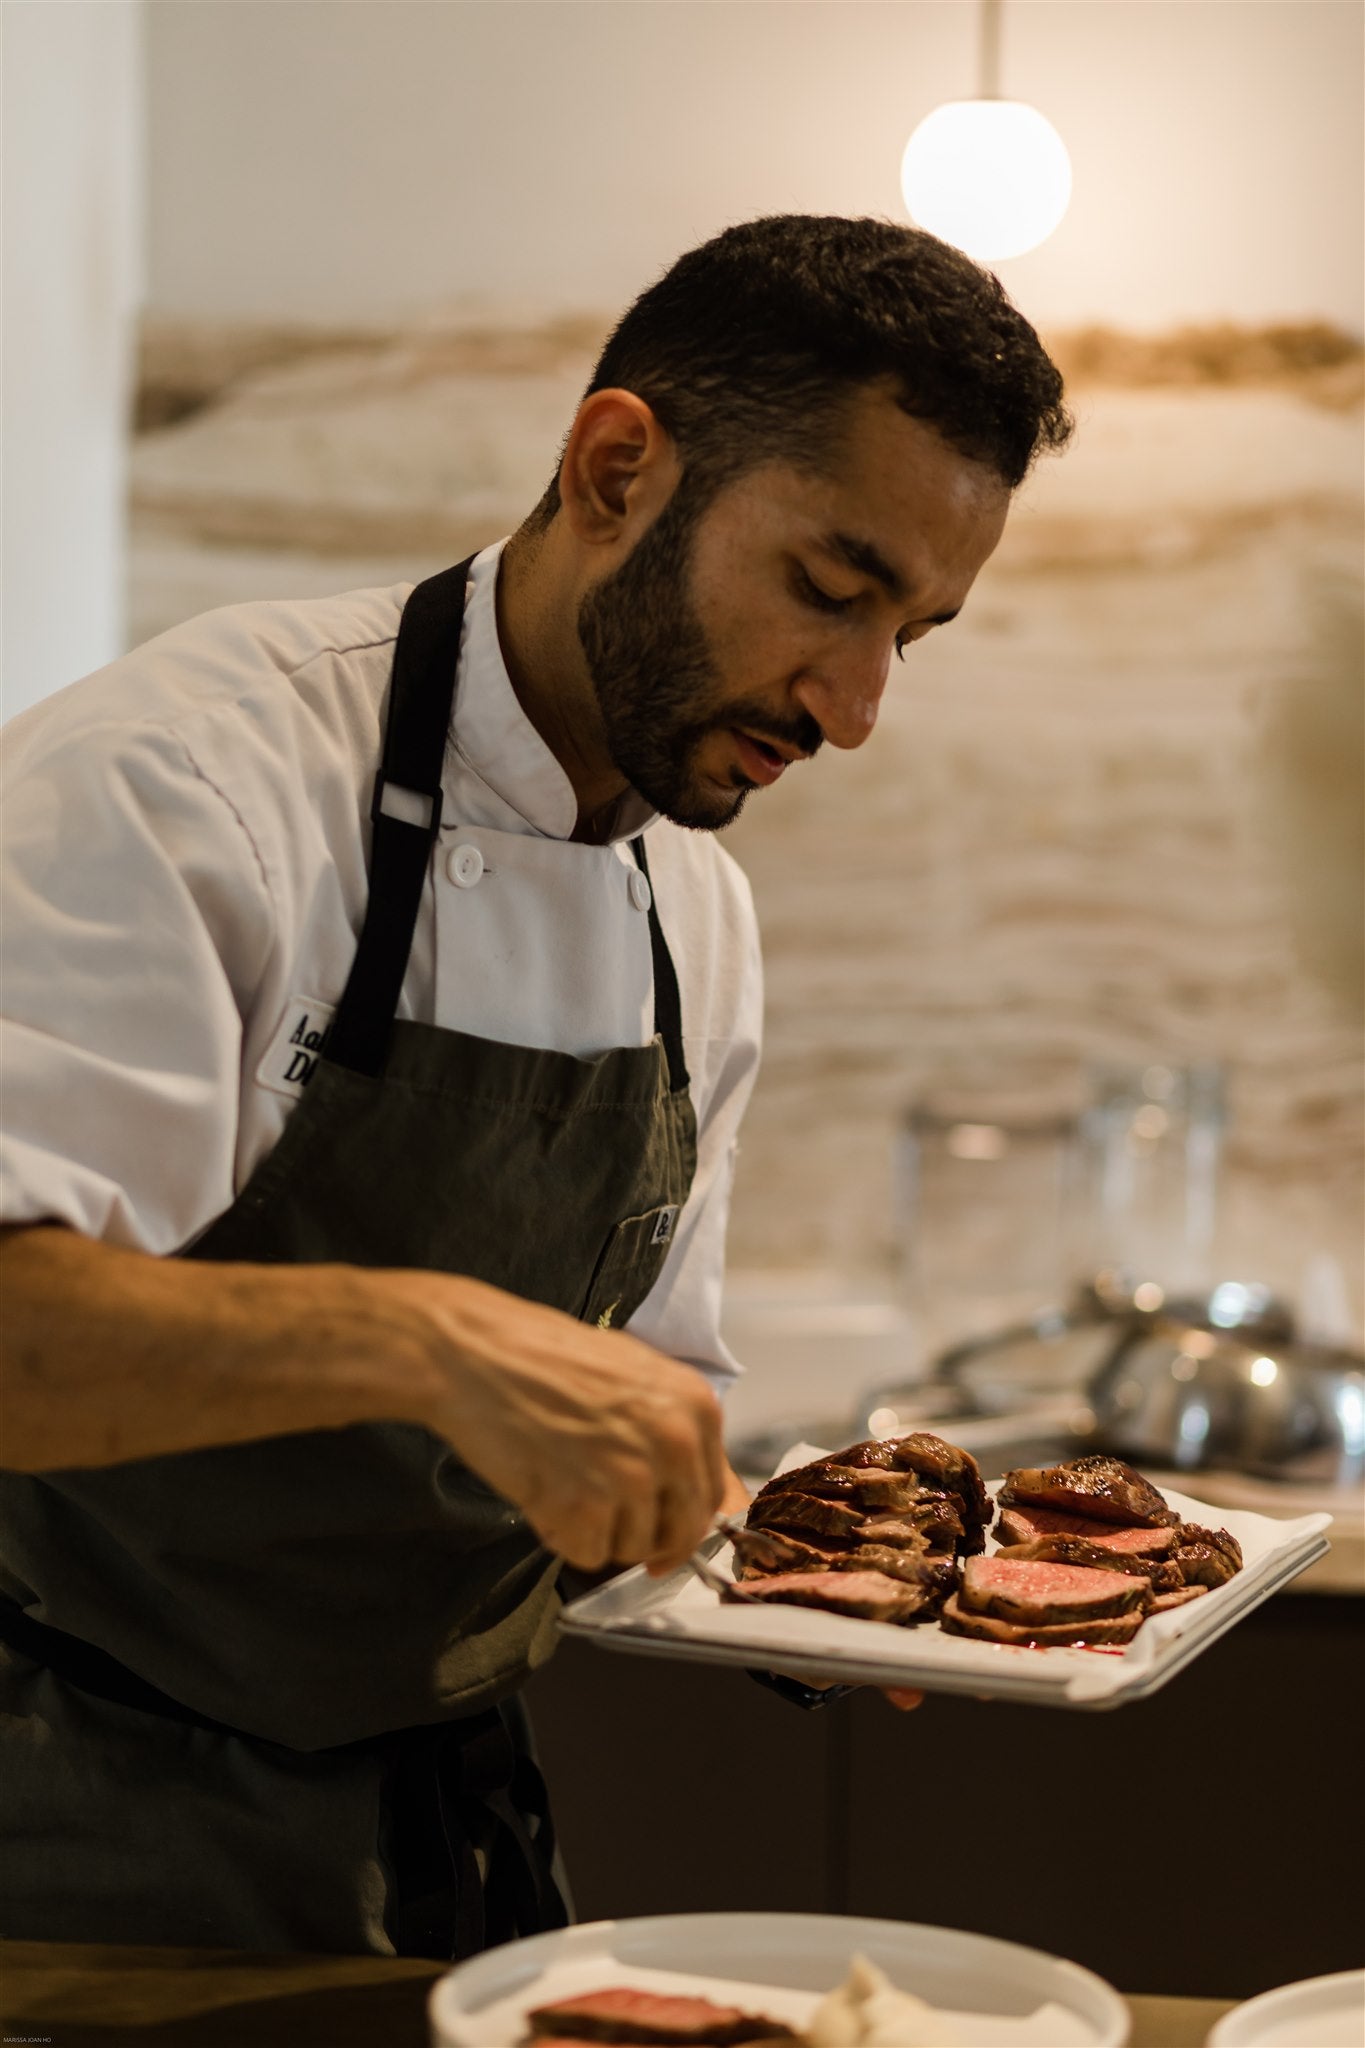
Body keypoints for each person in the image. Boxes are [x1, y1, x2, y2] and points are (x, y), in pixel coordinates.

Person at [0, 214, 1071, 1958]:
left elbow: (618, 1460)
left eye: (917, 633)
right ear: (614, 469)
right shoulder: (186, 780)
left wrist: (830, 1584)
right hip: (66, 1854)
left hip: (450, 1863)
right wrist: (427, 1339)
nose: (859, 705)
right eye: (829, 588)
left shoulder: (694, 918)